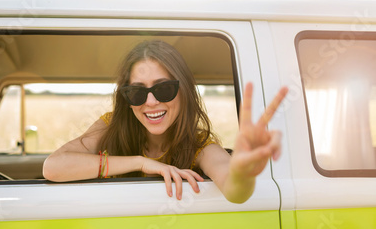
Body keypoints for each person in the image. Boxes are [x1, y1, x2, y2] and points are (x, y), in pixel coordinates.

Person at [43, 40, 288, 203]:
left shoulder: (200, 146)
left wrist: (243, 171)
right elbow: (53, 167)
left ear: (183, 91)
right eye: (137, 92)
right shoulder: (111, 126)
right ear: (127, 99)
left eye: (164, 89)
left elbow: (234, 191)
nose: (150, 102)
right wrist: (141, 163)